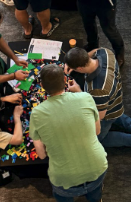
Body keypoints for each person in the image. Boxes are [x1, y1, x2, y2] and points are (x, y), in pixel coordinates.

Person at [29, 64, 108, 202]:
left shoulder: (36, 113)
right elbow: (97, 131)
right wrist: (78, 91)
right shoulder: (85, 97)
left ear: (42, 85)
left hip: (64, 178)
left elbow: (41, 155)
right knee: (95, 195)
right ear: (65, 81)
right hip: (97, 167)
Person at [64, 47, 131, 148]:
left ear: (80, 68)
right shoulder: (106, 53)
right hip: (115, 99)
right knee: (116, 114)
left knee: (98, 139)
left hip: (107, 112)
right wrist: (73, 61)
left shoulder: (97, 90)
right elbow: (97, 50)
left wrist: (78, 92)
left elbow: (100, 116)